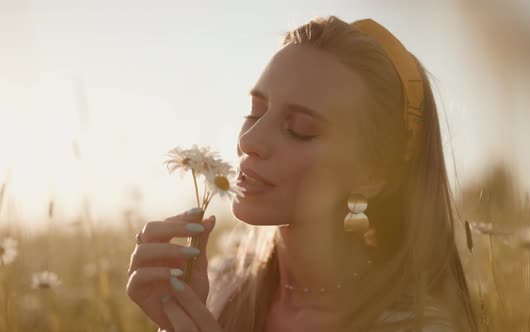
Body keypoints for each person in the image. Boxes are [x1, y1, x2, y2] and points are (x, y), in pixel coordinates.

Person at [127, 15, 478, 332]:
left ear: (374, 174)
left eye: (300, 128)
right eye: (255, 112)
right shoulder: (220, 284)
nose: (250, 141)